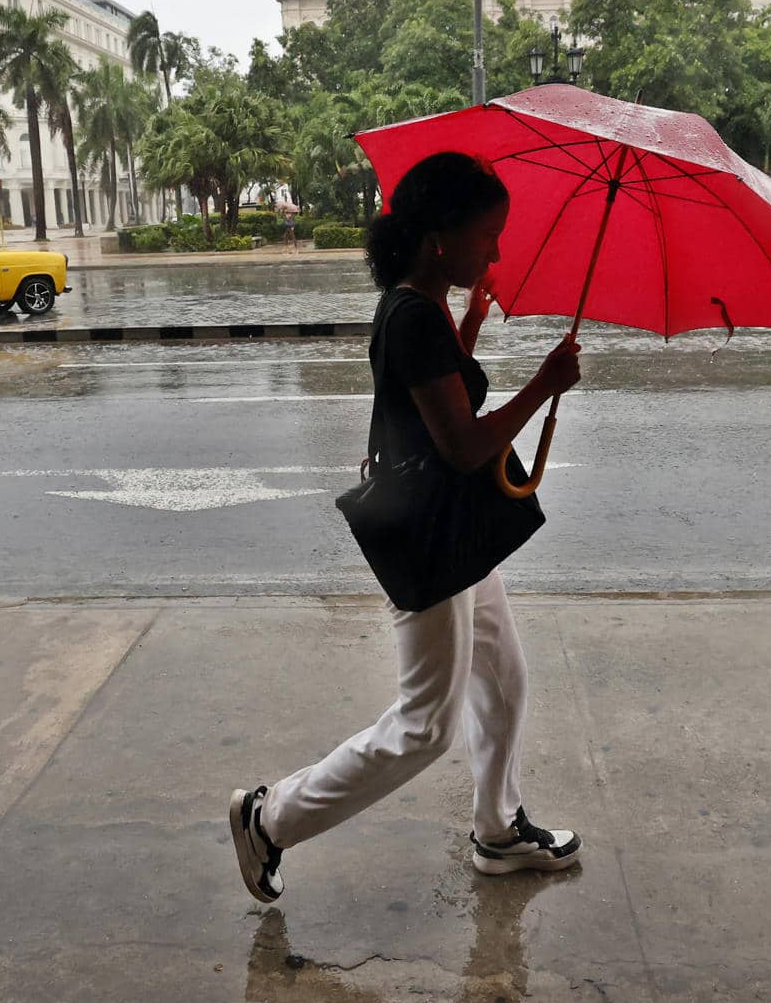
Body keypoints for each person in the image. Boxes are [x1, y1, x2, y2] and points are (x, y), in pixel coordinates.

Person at [231, 150, 584, 903]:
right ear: (439, 239)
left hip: (454, 530)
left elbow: (435, 391)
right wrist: (545, 386)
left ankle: (497, 828)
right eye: (487, 236)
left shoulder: (415, 304)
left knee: (505, 679)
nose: (496, 252)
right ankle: (269, 819)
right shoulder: (412, 315)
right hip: (432, 539)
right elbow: (460, 444)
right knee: (426, 726)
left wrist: (474, 320)